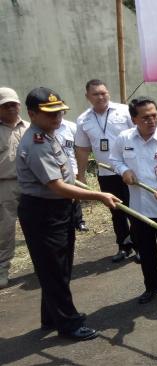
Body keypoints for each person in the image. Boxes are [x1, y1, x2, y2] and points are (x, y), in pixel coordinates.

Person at [16, 87, 120, 340]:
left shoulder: (48, 134)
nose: (57, 118)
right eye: (50, 114)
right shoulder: (37, 142)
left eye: (60, 112)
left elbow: (65, 176)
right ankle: (69, 324)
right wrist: (100, 196)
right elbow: (57, 186)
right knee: (54, 269)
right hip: (44, 212)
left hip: (57, 207)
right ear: (32, 114)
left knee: (56, 268)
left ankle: (51, 316)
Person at [111, 96, 157, 303]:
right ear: (134, 119)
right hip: (139, 207)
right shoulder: (124, 139)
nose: (151, 120)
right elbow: (114, 159)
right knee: (146, 251)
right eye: (145, 117)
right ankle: (152, 286)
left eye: (154, 115)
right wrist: (124, 171)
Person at [75, 79, 139, 262]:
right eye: (95, 94)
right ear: (88, 97)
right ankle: (124, 246)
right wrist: (81, 175)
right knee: (116, 212)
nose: (100, 97)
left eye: (103, 93)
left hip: (129, 172)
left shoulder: (124, 110)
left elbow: (138, 135)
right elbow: (82, 149)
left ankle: (140, 245)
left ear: (108, 93)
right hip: (106, 174)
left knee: (135, 210)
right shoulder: (83, 120)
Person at [0, 87, 30, 288]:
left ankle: (43, 263)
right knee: (5, 229)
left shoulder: (30, 128)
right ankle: (2, 269)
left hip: (31, 184)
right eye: (6, 105)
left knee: (37, 225)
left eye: (14, 104)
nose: (11, 108)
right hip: (5, 185)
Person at [55, 117, 88, 232]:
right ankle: (65, 223)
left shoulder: (71, 126)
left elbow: (79, 147)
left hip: (72, 168)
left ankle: (79, 222)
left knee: (75, 196)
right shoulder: (45, 129)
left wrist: (79, 170)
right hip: (55, 171)